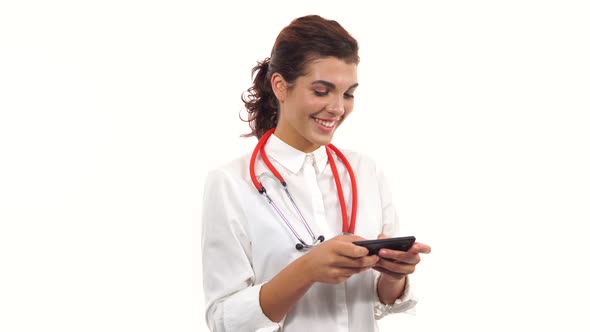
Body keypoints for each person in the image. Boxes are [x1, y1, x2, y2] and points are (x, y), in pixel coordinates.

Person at [201, 14, 431, 332]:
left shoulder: (365, 172)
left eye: (348, 93)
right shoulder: (231, 183)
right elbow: (223, 320)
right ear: (280, 86)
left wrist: (395, 275)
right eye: (322, 91)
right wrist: (306, 270)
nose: (338, 108)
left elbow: (379, 297)